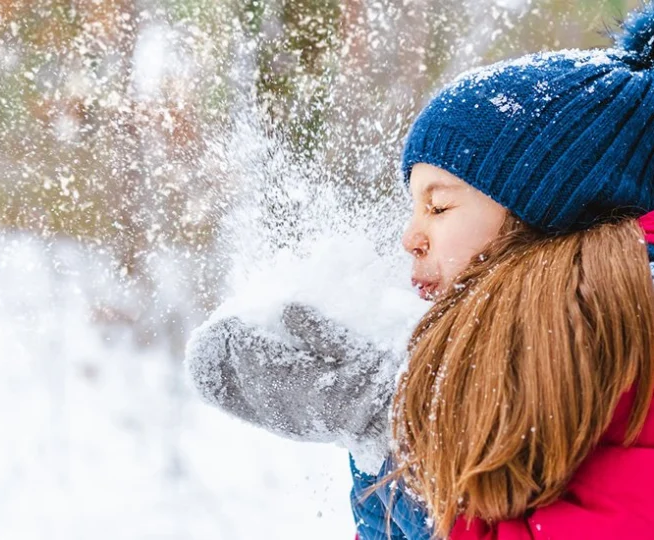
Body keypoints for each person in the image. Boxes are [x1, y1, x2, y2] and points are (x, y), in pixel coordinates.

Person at [184, 3, 654, 538]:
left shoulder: (627, 339)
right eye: (413, 207)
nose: (410, 237)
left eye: (439, 206)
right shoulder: (531, 342)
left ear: (542, 208)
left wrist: (394, 433)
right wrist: (381, 444)